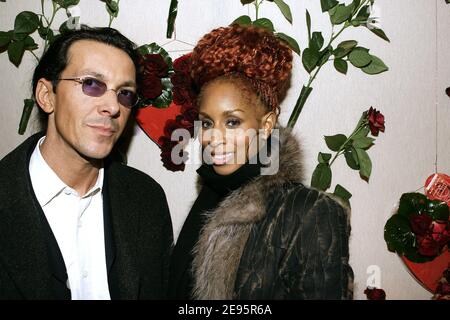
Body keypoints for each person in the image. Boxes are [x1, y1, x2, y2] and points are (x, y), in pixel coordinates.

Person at [168, 25, 353, 299]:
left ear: (266, 125)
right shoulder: (209, 198)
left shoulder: (312, 212)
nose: (213, 137)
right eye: (207, 123)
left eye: (232, 122)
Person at [0, 27, 173, 299]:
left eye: (125, 93)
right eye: (92, 84)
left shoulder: (147, 199)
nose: (113, 107)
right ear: (47, 95)